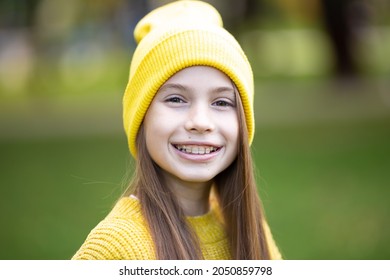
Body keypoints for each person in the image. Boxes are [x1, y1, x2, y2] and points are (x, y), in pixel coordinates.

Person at [72, 0, 282, 260]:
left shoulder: (247, 227)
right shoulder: (116, 247)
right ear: (142, 117)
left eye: (221, 102)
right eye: (176, 99)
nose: (200, 121)